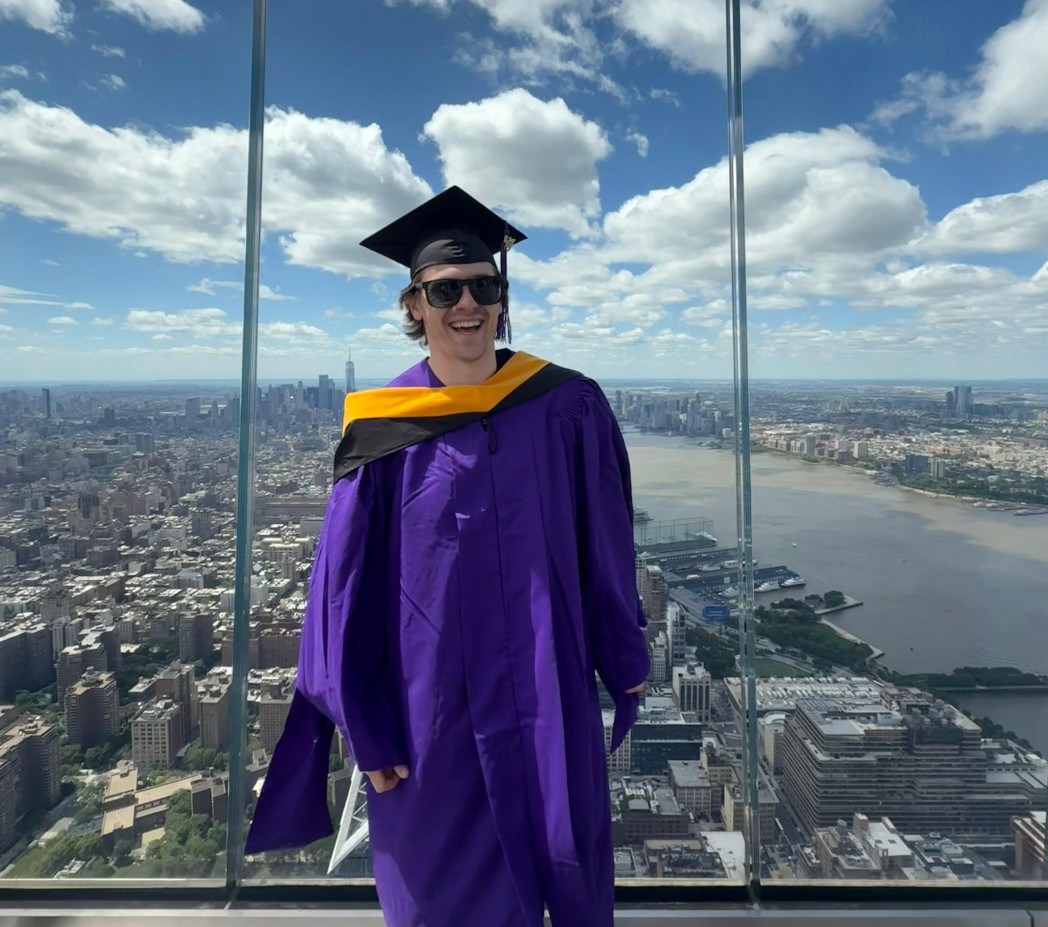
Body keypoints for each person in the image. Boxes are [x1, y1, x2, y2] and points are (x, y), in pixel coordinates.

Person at [245, 186, 650, 927]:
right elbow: (343, 596)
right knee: (443, 898)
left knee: (565, 870)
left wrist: (625, 663)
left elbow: (607, 554)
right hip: (431, 720)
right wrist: (366, 730)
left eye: (484, 286)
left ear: (502, 299)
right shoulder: (379, 431)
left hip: (546, 700)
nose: (467, 304)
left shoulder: (565, 406)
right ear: (414, 306)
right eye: (444, 290)